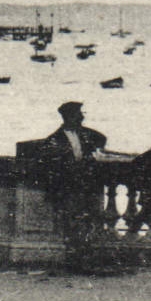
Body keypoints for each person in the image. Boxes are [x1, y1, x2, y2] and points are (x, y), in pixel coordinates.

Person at [31, 101, 109, 273]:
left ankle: (82, 260)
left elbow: (101, 138)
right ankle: (74, 261)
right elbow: (50, 168)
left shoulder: (84, 134)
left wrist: (95, 151)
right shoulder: (54, 140)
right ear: (69, 116)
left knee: (84, 224)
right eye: (79, 114)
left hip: (82, 188)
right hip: (67, 190)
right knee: (72, 225)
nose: (82, 117)